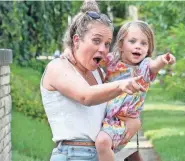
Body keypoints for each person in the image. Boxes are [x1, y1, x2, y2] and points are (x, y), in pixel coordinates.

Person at [40, 1, 145, 161]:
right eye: (96, 41)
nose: (103, 49)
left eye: (107, 44)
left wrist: (133, 120)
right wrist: (121, 85)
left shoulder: (97, 72)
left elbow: (112, 109)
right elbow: (86, 96)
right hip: (73, 155)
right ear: (76, 40)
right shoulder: (58, 67)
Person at [62, 20, 176, 161]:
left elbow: (154, 65)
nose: (138, 47)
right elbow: (88, 56)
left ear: (148, 48)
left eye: (143, 43)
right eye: (132, 41)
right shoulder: (111, 61)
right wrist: (70, 51)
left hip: (120, 121)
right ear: (121, 45)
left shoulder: (144, 68)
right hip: (102, 114)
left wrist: (163, 60)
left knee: (103, 143)